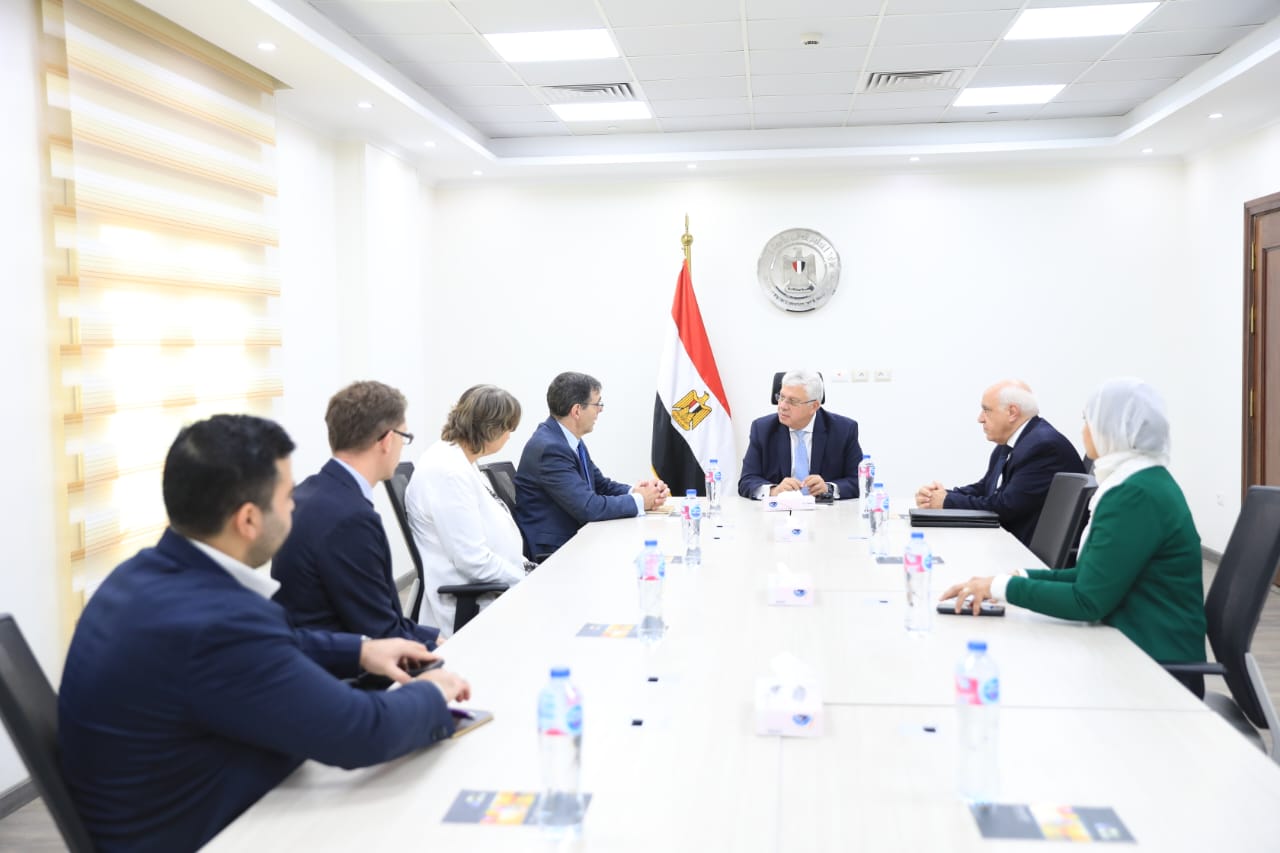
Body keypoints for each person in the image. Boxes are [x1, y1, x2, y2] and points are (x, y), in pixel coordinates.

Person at [59, 415, 471, 853]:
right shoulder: (218, 624)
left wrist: (362, 650)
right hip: (206, 833)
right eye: (287, 497)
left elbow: (269, 649)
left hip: (167, 804)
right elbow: (362, 732)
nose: (295, 507)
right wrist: (433, 690)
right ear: (249, 520)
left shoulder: (139, 575)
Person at [941, 379, 1206, 683]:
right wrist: (1015, 578)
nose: (1083, 432)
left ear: (1112, 429)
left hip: (1152, 669)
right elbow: (1088, 576)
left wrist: (1001, 588)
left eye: (1087, 422)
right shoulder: (1142, 481)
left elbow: (1087, 600)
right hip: (1131, 645)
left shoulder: (1134, 495)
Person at [272, 381, 438, 647]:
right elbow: (381, 634)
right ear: (387, 440)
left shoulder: (308, 492)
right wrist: (438, 650)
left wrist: (432, 637)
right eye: (404, 437)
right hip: (346, 662)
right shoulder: (351, 519)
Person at [406, 384, 531, 636]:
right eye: (509, 428)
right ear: (491, 428)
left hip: (495, 588)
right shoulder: (449, 472)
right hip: (474, 602)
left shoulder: (460, 460)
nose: (509, 436)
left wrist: (526, 568)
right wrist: (526, 579)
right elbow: (473, 561)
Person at [515, 372, 668, 556]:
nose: (600, 410)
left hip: (577, 539)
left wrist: (638, 491)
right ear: (577, 411)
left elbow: (601, 485)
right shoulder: (550, 449)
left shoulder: (567, 440)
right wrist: (641, 500)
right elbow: (589, 507)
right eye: (597, 404)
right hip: (555, 551)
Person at [915, 379, 1084, 546]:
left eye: (986, 410)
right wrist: (939, 496)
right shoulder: (1014, 443)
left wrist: (947, 501)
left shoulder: (1042, 446)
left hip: (1028, 552)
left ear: (1012, 412)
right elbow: (986, 488)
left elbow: (1006, 507)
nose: (980, 419)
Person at [737, 368, 862, 500]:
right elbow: (747, 480)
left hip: (826, 510)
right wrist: (774, 491)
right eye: (781, 397)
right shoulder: (762, 429)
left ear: (814, 406)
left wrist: (829, 488)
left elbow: (859, 481)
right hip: (780, 509)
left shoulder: (843, 430)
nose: (782, 406)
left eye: (792, 401)